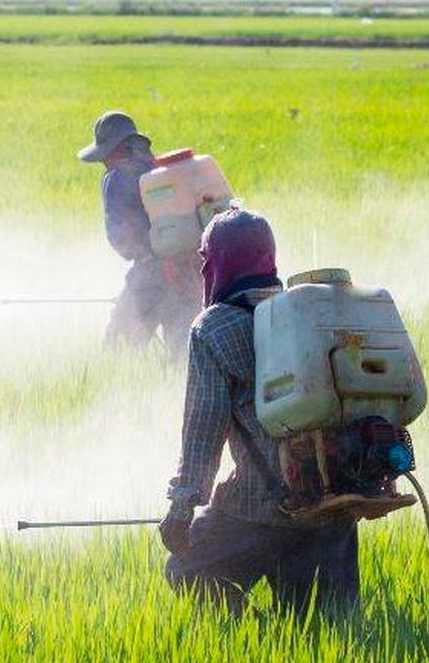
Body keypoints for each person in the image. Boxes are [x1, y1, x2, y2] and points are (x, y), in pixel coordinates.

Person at [158, 208, 360, 618]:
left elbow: (203, 432)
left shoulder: (214, 328)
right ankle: (276, 644)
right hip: (335, 502)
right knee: (330, 634)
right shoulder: (308, 315)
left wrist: (182, 507)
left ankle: (258, 635)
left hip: (257, 507)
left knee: (187, 570)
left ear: (218, 262)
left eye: (205, 260)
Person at [77, 111, 202, 353]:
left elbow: (121, 238)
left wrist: (136, 285)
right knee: (182, 355)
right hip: (189, 271)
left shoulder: (115, 178)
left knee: (118, 349)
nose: (102, 161)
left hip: (150, 274)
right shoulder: (159, 170)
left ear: (115, 149)